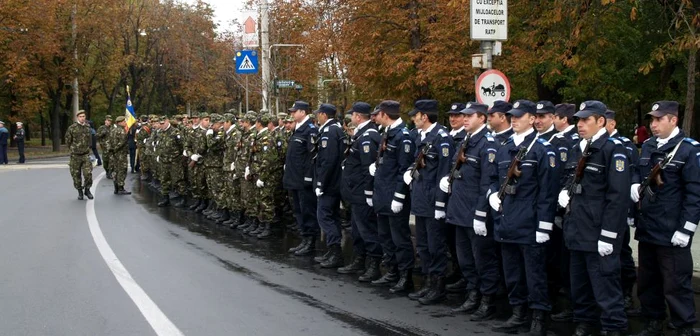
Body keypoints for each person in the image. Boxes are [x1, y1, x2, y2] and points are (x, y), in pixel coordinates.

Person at [558, 101, 630, 336]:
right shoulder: (578, 148)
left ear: (601, 121)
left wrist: (608, 236)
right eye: (578, 120)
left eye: (585, 120)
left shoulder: (612, 149)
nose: (580, 124)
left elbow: (617, 198)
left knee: (605, 287)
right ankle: (584, 323)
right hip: (577, 229)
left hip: (599, 232)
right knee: (580, 286)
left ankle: (613, 328)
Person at [488, 99, 557, 335]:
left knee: (535, 274)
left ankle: (538, 315)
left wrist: (543, 227)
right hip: (507, 221)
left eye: (519, 116)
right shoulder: (504, 147)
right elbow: (493, 179)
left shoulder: (542, 149)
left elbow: (548, 192)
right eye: (512, 116)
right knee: (513, 272)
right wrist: (491, 196)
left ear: (532, 118)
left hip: (530, 223)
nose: (514, 119)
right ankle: (518, 311)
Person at [631, 101, 699, 336]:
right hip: (649, 225)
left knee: (676, 283)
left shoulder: (689, 149)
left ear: (674, 120)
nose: (654, 124)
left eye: (659, 119)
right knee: (648, 280)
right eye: (652, 120)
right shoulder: (648, 146)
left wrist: (686, 230)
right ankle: (653, 320)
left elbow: (695, 194)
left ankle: (684, 325)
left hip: (672, 230)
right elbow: (639, 173)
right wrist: (633, 184)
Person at [441, 102, 500, 320]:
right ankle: (473, 294)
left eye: (469, 116)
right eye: (463, 116)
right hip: (459, 210)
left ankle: (487, 300)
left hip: (475, 213)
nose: (464, 119)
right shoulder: (467, 140)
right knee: (465, 259)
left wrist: (481, 214)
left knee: (483, 259)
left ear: (482, 118)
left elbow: (488, 183)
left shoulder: (487, 144)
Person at [404, 99, 454, 304]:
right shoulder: (421, 136)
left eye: (416, 116)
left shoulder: (441, 139)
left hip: (433, 201)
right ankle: (427, 282)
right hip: (420, 198)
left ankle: (438, 286)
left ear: (425, 116)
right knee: (423, 246)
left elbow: (443, 175)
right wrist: (409, 172)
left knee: (435, 246)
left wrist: (440, 204)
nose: (414, 119)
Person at [367, 100, 416, 293]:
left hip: (394, 197)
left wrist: (399, 196)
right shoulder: (386, 133)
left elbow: (403, 170)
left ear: (385, 115)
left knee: (400, 238)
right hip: (382, 194)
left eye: (378, 114)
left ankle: (405, 276)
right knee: (385, 236)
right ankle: (392, 270)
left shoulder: (403, 136)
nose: (375, 117)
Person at [338, 102, 383, 281]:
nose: (351, 118)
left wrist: (368, 192)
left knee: (367, 230)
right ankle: (359, 259)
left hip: (362, 192)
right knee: (357, 230)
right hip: (355, 192)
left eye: (352, 115)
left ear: (358, 116)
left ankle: (374, 265)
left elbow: (367, 168)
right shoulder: (362, 134)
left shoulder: (368, 137)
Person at [604, 109, 640, 315]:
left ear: (611, 124)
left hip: (620, 208)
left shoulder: (623, 145)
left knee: (622, 252)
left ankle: (627, 292)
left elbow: (632, 174)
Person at [311, 103, 346, 268]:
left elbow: (328, 161)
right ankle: (333, 251)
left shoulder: (329, 132)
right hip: (333, 182)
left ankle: (335, 252)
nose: (317, 116)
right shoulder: (333, 130)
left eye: (319, 113)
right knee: (332, 216)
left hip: (330, 183)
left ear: (324, 115)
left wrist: (321, 183)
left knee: (324, 216)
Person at [283, 101, 320, 256]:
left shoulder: (310, 130)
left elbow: (312, 157)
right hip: (294, 178)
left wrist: (308, 178)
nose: (292, 114)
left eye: (295, 111)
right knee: (298, 211)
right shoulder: (298, 129)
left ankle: (311, 242)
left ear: (303, 112)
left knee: (307, 212)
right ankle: (304, 239)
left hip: (303, 180)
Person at [154, 116, 186, 207]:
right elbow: (159, 145)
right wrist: (158, 155)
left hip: (174, 161)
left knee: (178, 180)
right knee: (164, 180)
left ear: (167, 121)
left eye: (163, 123)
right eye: (160, 123)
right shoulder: (161, 133)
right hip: (164, 160)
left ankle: (183, 198)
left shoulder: (175, 132)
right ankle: (165, 198)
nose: (161, 125)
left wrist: (179, 157)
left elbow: (182, 146)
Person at [65, 110, 94, 200]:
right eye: (80, 116)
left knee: (88, 173)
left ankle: (87, 190)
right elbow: (68, 140)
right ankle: (80, 191)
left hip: (85, 154)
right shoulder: (72, 128)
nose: (82, 118)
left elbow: (90, 139)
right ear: (77, 117)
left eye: (83, 116)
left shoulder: (87, 127)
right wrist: (73, 149)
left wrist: (89, 148)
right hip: (75, 155)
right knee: (76, 175)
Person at [109, 116, 131, 195]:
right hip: (121, 154)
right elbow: (122, 143)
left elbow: (109, 142)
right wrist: (115, 149)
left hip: (114, 154)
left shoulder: (112, 130)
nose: (125, 123)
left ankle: (116, 187)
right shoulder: (122, 131)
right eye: (124, 121)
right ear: (120, 122)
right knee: (122, 170)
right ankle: (120, 187)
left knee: (116, 170)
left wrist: (111, 150)